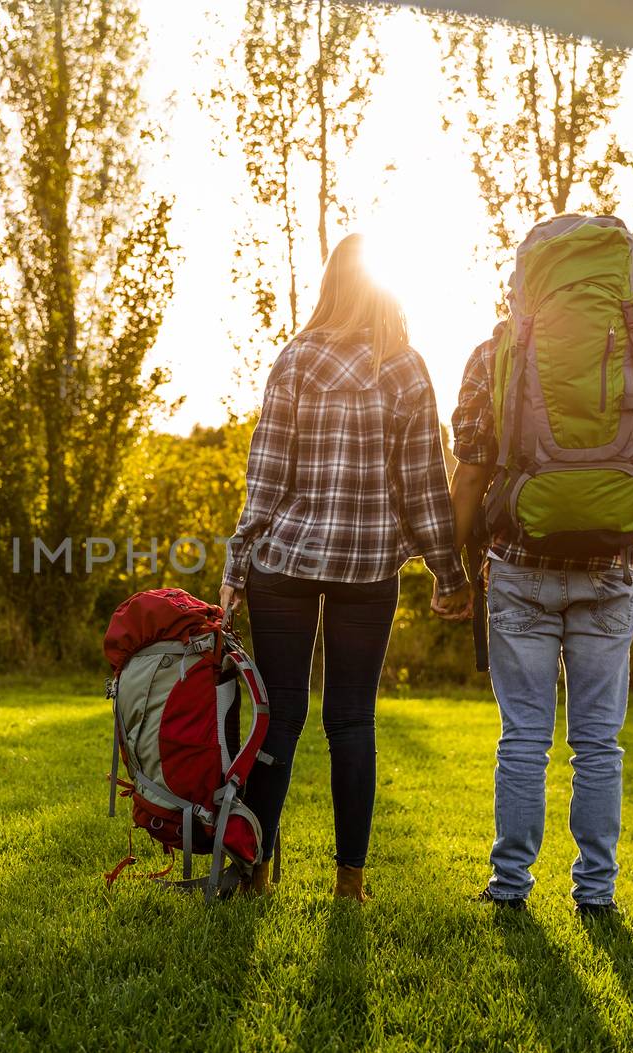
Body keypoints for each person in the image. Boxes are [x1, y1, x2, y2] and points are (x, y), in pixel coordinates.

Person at [219, 233, 471, 903]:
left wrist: (237, 564)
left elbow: (265, 481)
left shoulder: (296, 360)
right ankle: (349, 884)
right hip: (367, 568)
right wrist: (450, 573)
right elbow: (424, 487)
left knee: (279, 716)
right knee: (352, 720)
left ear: (331, 285)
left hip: (285, 561)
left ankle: (256, 873)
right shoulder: (405, 368)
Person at [448, 294, 633, 920]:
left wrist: (449, 573)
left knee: (523, 739)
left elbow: (470, 473)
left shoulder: (496, 354)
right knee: (598, 743)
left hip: (519, 568)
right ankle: (597, 893)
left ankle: (510, 887)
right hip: (609, 573)